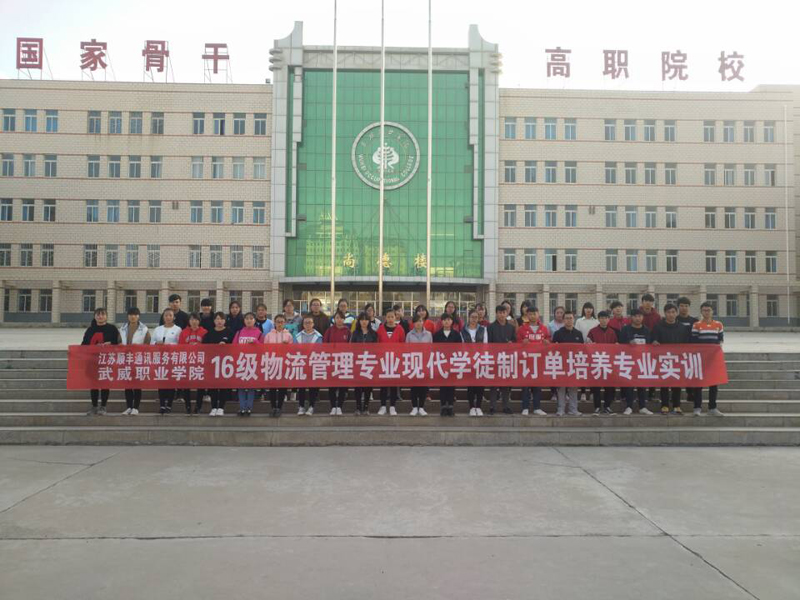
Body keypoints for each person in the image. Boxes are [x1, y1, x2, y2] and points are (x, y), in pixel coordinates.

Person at [653, 303, 692, 415]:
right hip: (663, 359)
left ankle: (676, 406)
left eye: (673, 312)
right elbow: (654, 339)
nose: (671, 314)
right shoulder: (658, 326)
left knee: (677, 383)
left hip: (677, 359)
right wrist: (654, 342)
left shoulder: (682, 328)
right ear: (664, 313)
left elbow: (687, 343)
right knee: (664, 383)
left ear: (676, 313)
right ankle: (664, 405)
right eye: (668, 312)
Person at [81, 307, 121, 416]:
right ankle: (94, 406)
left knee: (105, 383)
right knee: (93, 384)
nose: (100, 316)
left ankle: (103, 406)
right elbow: (84, 344)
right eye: (98, 314)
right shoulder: (90, 330)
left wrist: (110, 344)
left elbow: (118, 343)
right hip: (93, 361)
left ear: (106, 316)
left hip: (107, 360)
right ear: (94, 316)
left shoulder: (112, 329)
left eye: (102, 314)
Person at [618, 308, 654, 416]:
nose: (638, 318)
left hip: (642, 361)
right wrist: (628, 343)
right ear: (631, 317)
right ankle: (629, 406)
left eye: (640, 316)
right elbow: (619, 343)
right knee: (629, 385)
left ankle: (642, 407)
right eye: (635, 316)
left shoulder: (646, 330)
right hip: (629, 361)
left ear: (642, 317)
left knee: (642, 384)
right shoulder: (626, 329)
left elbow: (650, 345)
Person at [692, 302, 725, 417]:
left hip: (713, 359)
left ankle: (712, 407)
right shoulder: (696, 325)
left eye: (709, 310)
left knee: (713, 384)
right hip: (700, 359)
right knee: (698, 383)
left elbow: (720, 340)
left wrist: (714, 350)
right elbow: (694, 341)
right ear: (701, 312)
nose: (706, 312)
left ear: (712, 311)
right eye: (704, 310)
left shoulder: (718, 324)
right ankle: (697, 408)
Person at [517, 306, 549, 416]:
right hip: (526, 361)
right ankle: (525, 407)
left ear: (538, 314)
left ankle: (537, 407)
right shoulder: (522, 328)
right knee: (525, 385)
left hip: (539, 361)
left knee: (537, 385)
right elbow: (517, 343)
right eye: (530, 314)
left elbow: (549, 339)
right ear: (527, 315)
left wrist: (547, 342)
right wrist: (522, 343)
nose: (532, 316)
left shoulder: (544, 328)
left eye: (534, 314)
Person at [118, 307, 150, 415]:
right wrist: (120, 345)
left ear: (138, 316)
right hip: (126, 358)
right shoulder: (122, 328)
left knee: (137, 384)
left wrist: (139, 347)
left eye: (135, 315)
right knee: (127, 384)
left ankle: (136, 407)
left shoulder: (144, 329)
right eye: (131, 315)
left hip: (138, 359)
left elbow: (148, 344)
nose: (133, 317)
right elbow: (118, 341)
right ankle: (129, 407)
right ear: (128, 316)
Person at [552, 311, 584, 416]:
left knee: (574, 387)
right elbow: (553, 349)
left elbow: (582, 350)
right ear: (563, 320)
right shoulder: (558, 333)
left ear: (574, 319)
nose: (569, 320)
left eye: (570, 318)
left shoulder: (578, 334)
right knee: (561, 388)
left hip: (574, 364)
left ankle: (573, 409)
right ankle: (560, 409)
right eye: (566, 318)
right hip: (561, 364)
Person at [151, 307, 182, 415]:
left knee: (171, 382)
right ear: (163, 317)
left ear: (174, 317)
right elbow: (151, 343)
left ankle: (169, 404)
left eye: (170, 315)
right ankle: (162, 405)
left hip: (172, 358)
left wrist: (168, 345)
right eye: (166, 315)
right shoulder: (158, 329)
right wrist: (156, 343)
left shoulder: (178, 329)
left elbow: (179, 344)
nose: (168, 317)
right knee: (161, 381)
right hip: (160, 358)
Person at [232, 312, 263, 416]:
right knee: (241, 386)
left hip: (253, 363)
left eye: (251, 318)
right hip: (241, 362)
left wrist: (255, 342)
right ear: (244, 321)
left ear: (254, 320)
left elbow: (263, 348)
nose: (249, 320)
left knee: (251, 386)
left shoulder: (259, 333)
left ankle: (249, 407)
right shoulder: (239, 332)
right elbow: (233, 346)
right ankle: (242, 407)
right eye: (247, 318)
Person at [587, 310, 618, 415]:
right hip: (596, 362)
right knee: (596, 387)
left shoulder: (612, 332)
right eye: (601, 318)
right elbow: (587, 345)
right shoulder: (592, 331)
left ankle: (607, 406)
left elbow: (616, 346)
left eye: (606, 318)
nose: (604, 320)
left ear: (609, 319)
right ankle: (597, 407)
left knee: (609, 386)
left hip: (608, 363)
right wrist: (591, 345)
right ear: (598, 319)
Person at [487, 304, 516, 415]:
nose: (502, 315)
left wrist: (511, 343)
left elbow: (514, 341)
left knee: (505, 384)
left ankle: (506, 406)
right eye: (500, 313)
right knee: (493, 384)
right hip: (494, 358)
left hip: (506, 359)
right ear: (496, 313)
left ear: (507, 313)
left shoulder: (511, 327)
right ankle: (492, 406)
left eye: (504, 312)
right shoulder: (490, 327)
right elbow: (488, 343)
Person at [202, 312, 233, 416]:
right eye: (217, 319)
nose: (219, 321)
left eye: (221, 319)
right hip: (212, 364)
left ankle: (221, 407)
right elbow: (204, 347)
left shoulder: (229, 332)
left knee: (223, 386)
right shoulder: (209, 333)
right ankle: (214, 407)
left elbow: (234, 346)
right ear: (214, 321)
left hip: (225, 363)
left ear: (225, 321)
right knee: (213, 386)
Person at [263, 313, 293, 417]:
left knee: (282, 387)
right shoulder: (268, 335)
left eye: (281, 322)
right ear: (274, 323)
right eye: (278, 322)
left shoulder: (288, 335)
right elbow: (264, 349)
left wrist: (287, 346)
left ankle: (279, 407)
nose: (279, 324)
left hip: (284, 363)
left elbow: (292, 350)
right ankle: (273, 407)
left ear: (285, 323)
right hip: (272, 363)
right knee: (272, 387)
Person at [376, 308, 406, 415]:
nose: (390, 319)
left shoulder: (400, 329)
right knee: (383, 385)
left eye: (392, 317)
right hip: (383, 360)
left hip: (395, 360)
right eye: (388, 317)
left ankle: (393, 406)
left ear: (395, 317)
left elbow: (402, 344)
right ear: (385, 317)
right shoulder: (380, 329)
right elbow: (377, 344)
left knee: (394, 384)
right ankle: (383, 406)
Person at [178, 312, 208, 414]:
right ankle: (188, 406)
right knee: (186, 384)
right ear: (189, 321)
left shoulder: (204, 332)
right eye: (191, 320)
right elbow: (180, 347)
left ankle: (198, 406)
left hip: (200, 362)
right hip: (187, 361)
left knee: (200, 385)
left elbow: (208, 347)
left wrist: (198, 345)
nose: (194, 322)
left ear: (199, 321)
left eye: (196, 319)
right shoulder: (184, 332)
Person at [433, 313, 462, 416]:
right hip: (441, 363)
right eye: (444, 320)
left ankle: (450, 406)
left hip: (452, 362)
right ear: (441, 321)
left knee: (451, 386)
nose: (446, 321)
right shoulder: (437, 334)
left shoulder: (456, 334)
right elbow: (434, 349)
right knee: (442, 386)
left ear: (452, 322)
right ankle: (443, 406)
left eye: (449, 320)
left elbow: (459, 348)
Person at [294, 315, 323, 415]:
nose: (308, 324)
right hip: (301, 363)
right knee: (301, 387)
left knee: (312, 387)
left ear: (313, 324)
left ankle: (311, 406)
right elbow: (295, 349)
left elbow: (319, 350)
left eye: (310, 322)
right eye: (306, 323)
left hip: (313, 364)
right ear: (303, 325)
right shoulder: (297, 336)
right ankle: (301, 406)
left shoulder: (318, 336)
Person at [324, 310, 351, 415]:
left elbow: (351, 346)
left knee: (342, 385)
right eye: (337, 318)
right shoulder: (330, 330)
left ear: (344, 319)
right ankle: (332, 406)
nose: (339, 320)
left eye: (341, 318)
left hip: (344, 361)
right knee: (332, 385)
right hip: (332, 361)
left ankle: (339, 406)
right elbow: (325, 344)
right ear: (334, 319)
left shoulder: (347, 331)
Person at [461, 308, 488, 416]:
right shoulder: (463, 331)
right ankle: (472, 407)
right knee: (470, 385)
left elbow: (485, 345)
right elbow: (462, 346)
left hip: (480, 359)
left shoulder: (483, 329)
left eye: (476, 317)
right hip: (468, 360)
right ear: (468, 317)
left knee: (480, 385)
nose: (474, 319)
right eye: (472, 317)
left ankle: (479, 407)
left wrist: (482, 358)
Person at [351, 311, 378, 415]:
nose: (364, 321)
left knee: (368, 386)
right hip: (358, 362)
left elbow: (376, 348)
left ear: (369, 321)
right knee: (357, 386)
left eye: (366, 319)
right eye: (362, 319)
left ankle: (366, 407)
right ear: (359, 321)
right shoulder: (355, 333)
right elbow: (351, 347)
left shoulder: (373, 334)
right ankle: (358, 407)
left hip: (369, 362)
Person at [406, 313, 433, 416]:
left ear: (423, 322)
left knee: (423, 386)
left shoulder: (429, 334)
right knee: (414, 386)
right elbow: (406, 349)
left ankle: (421, 407)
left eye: (420, 321)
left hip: (424, 362)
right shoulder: (409, 335)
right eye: (416, 321)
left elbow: (431, 348)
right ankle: (414, 407)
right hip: (413, 362)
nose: (418, 323)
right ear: (413, 323)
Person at [676, 297, 700, 408]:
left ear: (689, 307)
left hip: (690, 352)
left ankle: (690, 393)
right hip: (676, 353)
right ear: (678, 307)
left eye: (686, 306)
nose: (684, 308)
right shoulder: (674, 319)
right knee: (677, 373)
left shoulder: (694, 321)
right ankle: (675, 395)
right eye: (681, 306)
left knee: (689, 372)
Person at [575, 302, 599, 402]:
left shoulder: (596, 321)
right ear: (583, 310)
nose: (588, 310)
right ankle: (583, 393)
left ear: (593, 310)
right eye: (586, 308)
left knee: (593, 371)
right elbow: (577, 333)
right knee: (583, 370)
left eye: (590, 308)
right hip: (582, 349)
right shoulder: (579, 321)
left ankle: (592, 392)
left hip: (593, 350)